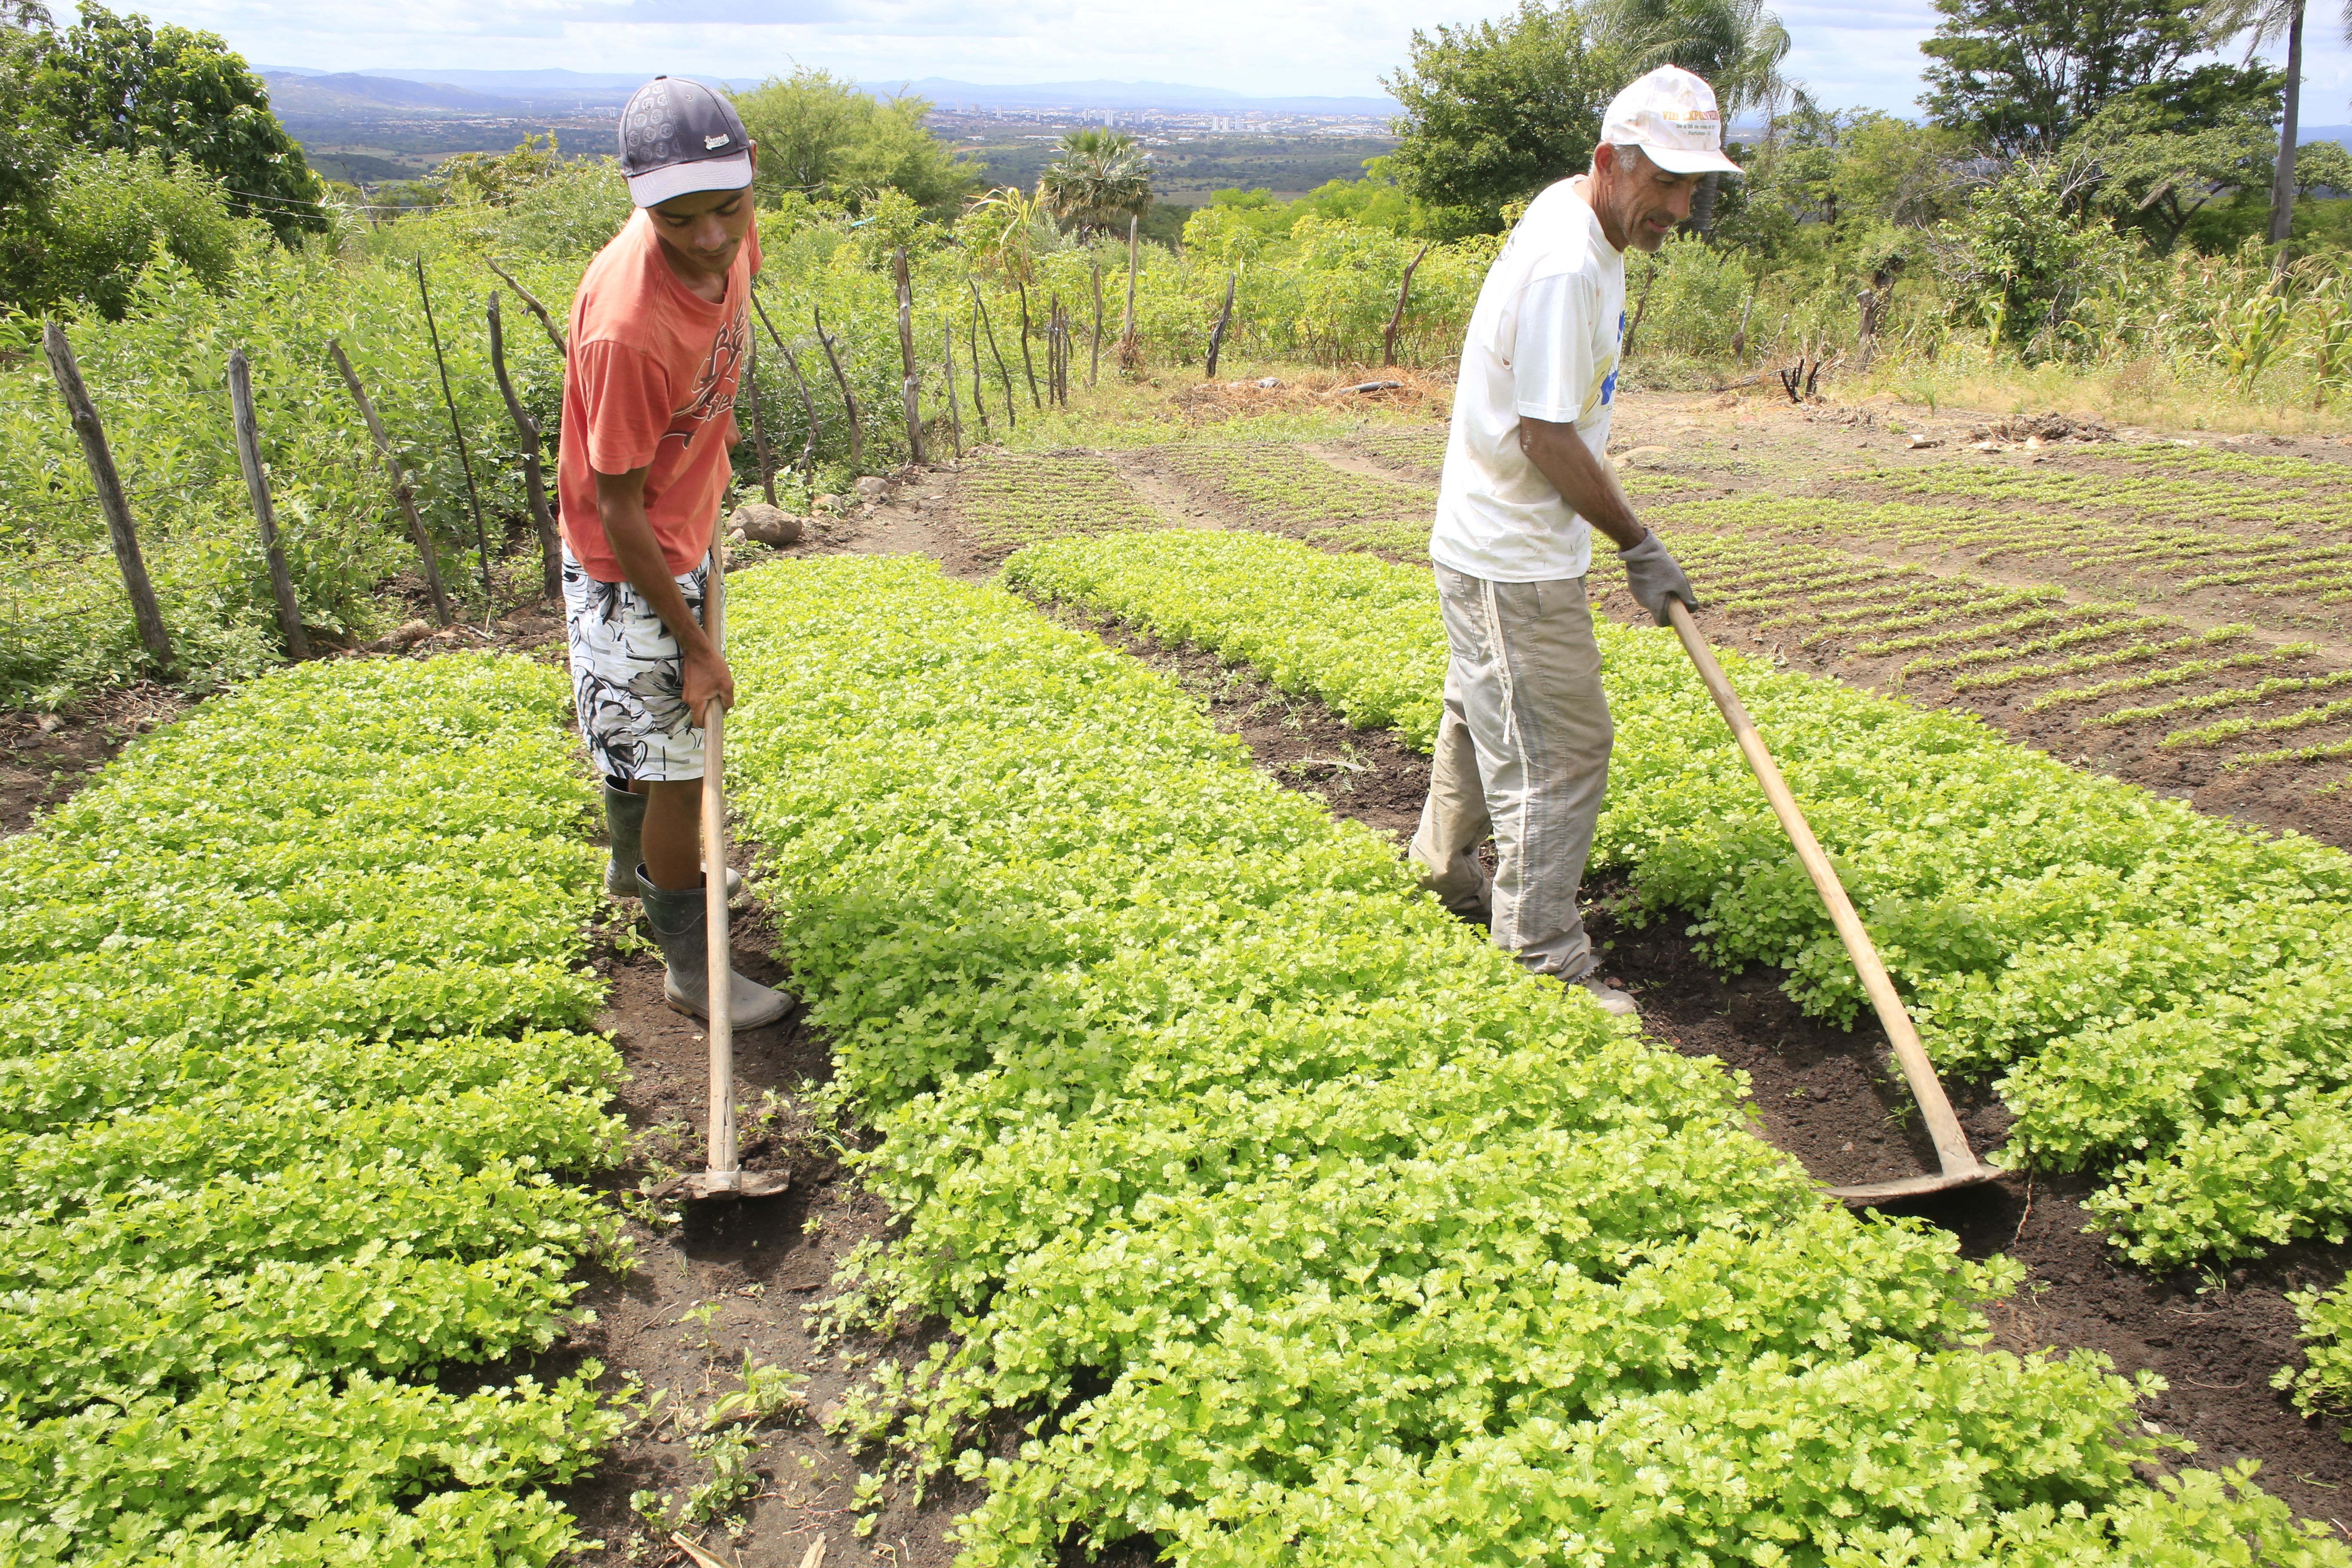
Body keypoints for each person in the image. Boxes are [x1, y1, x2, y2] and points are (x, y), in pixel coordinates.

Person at [1409, 64, 1737, 1018]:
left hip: (1498, 542)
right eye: (1663, 183)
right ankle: (1543, 961)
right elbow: (1546, 435)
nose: (1678, 206)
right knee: (1560, 751)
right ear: (1609, 161)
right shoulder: (1564, 262)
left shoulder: (1587, 220)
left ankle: (1440, 873)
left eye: (1691, 186)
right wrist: (1638, 542)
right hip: (1511, 555)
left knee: (1484, 710)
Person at [557, 75, 787, 1028]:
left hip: (680, 525)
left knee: (640, 734)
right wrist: (694, 641)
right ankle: (692, 971)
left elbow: (723, 324)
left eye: (726, 209)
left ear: (748, 181)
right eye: (679, 219)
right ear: (639, 201)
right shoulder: (626, 328)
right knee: (678, 762)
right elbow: (617, 512)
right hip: (631, 560)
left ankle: (630, 867)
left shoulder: (731, 235)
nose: (709, 238)